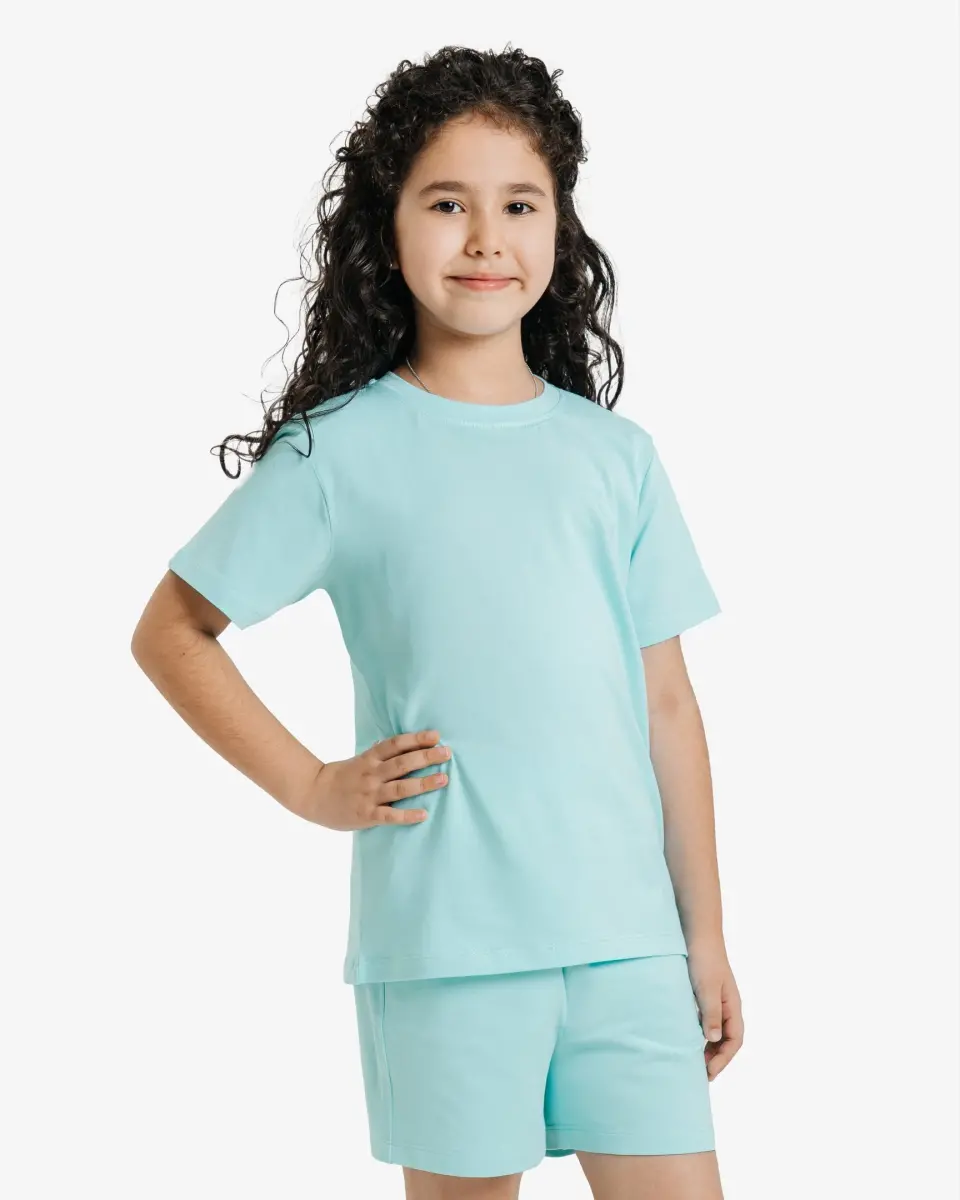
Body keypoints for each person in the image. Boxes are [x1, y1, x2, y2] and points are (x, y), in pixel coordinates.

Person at [131, 43, 743, 1200]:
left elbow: (667, 705)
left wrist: (701, 935)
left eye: (519, 204)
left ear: (560, 227)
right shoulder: (338, 452)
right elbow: (170, 631)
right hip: (445, 952)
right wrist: (312, 786)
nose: (485, 239)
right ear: (390, 225)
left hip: (628, 947)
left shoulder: (616, 459)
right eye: (447, 203)